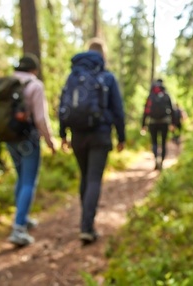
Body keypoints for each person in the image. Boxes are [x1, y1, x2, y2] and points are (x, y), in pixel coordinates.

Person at [59, 38, 126, 245]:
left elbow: (64, 105)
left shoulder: (73, 76)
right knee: (94, 179)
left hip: (77, 135)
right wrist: (121, 136)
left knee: (85, 177)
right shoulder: (107, 77)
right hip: (100, 134)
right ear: (103, 55)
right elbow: (118, 110)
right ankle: (87, 227)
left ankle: (86, 223)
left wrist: (63, 134)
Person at [7, 53, 56, 246]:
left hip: (10, 139)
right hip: (28, 139)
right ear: (33, 70)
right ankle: (18, 228)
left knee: (21, 178)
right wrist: (50, 141)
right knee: (29, 181)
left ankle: (22, 217)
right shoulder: (35, 85)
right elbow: (40, 118)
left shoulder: (8, 82)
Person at [141, 79, 175, 170]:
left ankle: (156, 160)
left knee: (154, 142)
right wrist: (173, 123)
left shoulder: (151, 96)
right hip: (164, 122)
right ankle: (162, 162)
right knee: (163, 143)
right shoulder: (166, 95)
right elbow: (172, 110)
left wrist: (143, 125)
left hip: (152, 123)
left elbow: (146, 111)